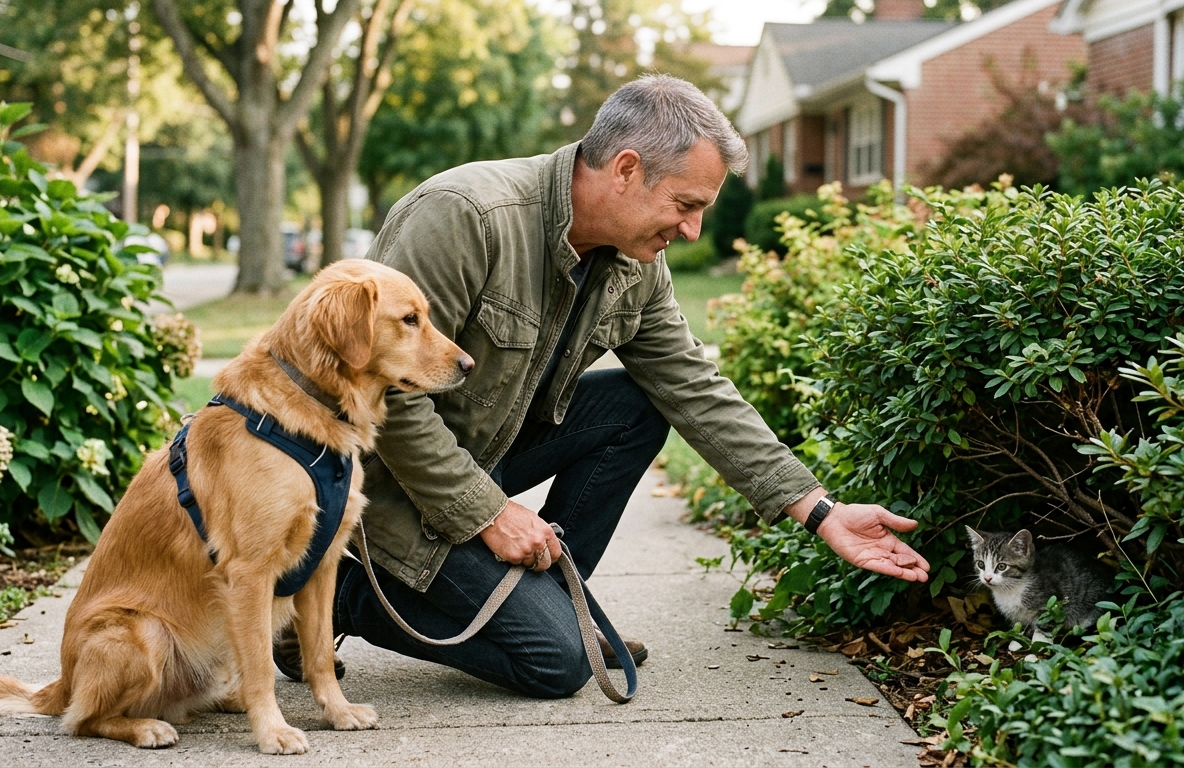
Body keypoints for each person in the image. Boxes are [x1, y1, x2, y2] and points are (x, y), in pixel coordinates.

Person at [273, 74, 930, 698]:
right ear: (625, 170)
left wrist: (820, 512)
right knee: (555, 662)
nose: (693, 230)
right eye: (686, 205)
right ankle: (331, 599)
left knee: (637, 403)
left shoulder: (635, 264)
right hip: (385, 484)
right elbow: (392, 397)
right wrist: (488, 513)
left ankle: (558, 605)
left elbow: (692, 385)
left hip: (484, 451)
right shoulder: (467, 215)